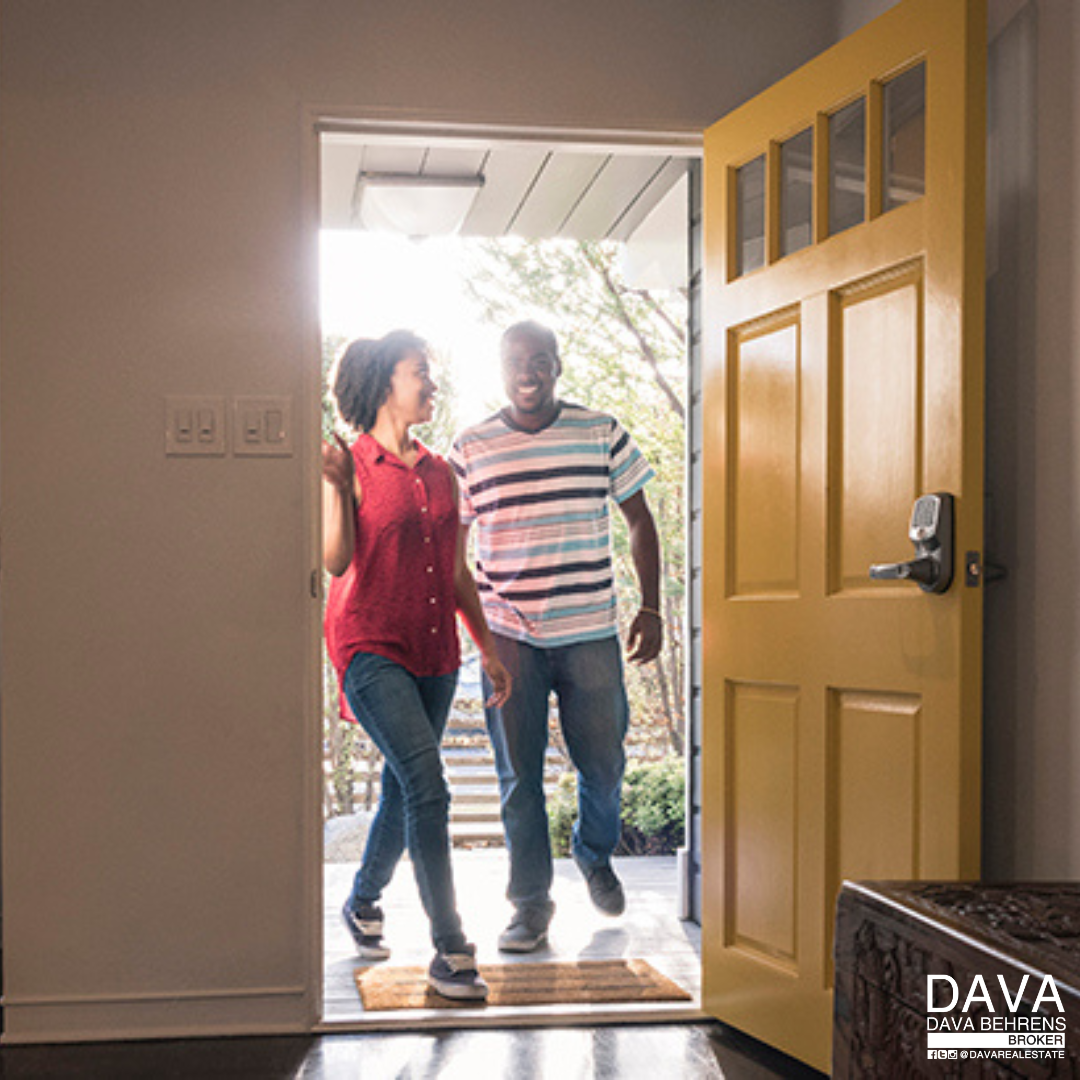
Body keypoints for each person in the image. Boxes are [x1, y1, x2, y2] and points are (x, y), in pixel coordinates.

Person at [448, 320, 662, 953]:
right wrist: (475, 638)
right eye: (516, 360)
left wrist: (651, 607)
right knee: (519, 778)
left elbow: (640, 520)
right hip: (508, 636)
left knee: (604, 763)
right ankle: (530, 905)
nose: (528, 371)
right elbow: (454, 558)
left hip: (590, 632)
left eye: (540, 359)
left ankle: (593, 853)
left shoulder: (600, 431)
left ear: (557, 365)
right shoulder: (472, 447)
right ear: (501, 367)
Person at [322, 330, 511, 1000]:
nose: (431, 384)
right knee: (430, 788)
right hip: (370, 645)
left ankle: (363, 899)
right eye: (419, 373)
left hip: (435, 649)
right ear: (383, 384)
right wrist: (334, 486)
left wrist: (487, 649)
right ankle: (451, 948)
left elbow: (457, 573)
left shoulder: (440, 472)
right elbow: (338, 560)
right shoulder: (348, 460)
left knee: (406, 788)